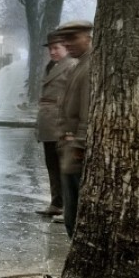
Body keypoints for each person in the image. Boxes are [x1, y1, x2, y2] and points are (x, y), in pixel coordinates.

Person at [54, 20, 94, 238]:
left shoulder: (89, 67)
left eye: (73, 38)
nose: (67, 44)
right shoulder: (79, 64)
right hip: (69, 146)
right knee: (71, 206)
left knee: (75, 210)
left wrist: (79, 145)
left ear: (88, 37)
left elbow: (87, 111)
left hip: (77, 150)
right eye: (65, 39)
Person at [35, 30, 77, 218]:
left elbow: (74, 98)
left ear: (66, 48)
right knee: (52, 165)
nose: (52, 52)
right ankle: (57, 203)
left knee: (65, 168)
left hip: (61, 123)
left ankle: (69, 208)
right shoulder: (52, 65)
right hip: (49, 124)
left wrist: (70, 128)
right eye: (50, 49)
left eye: (56, 48)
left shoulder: (72, 66)